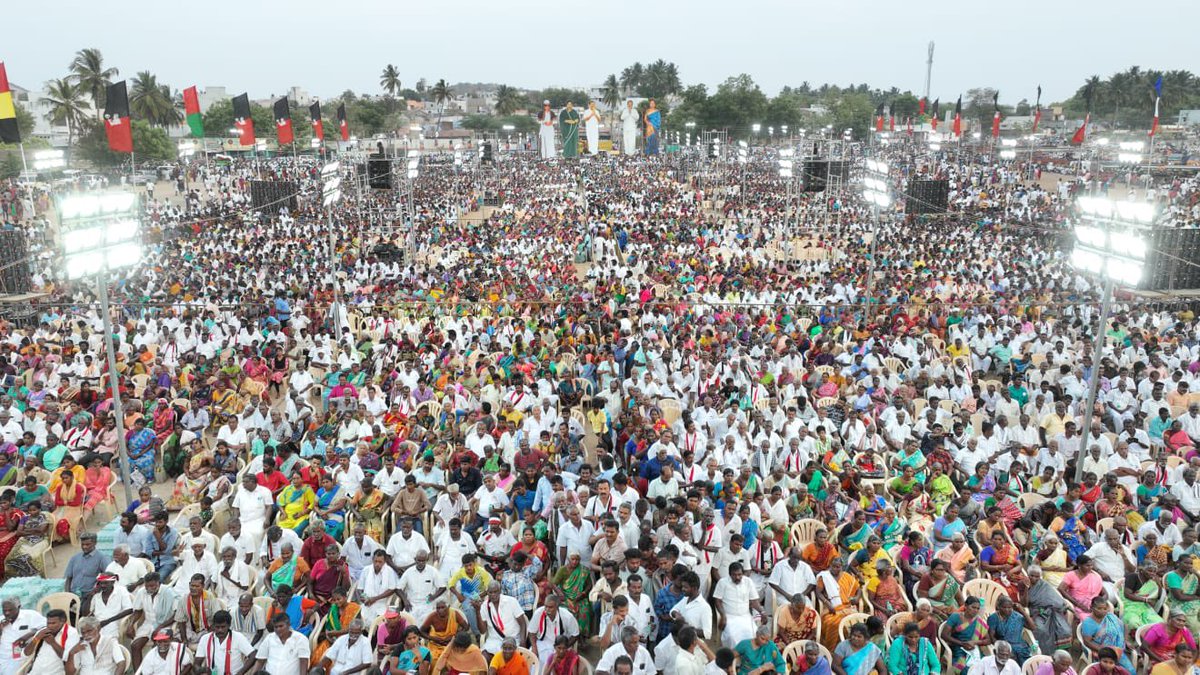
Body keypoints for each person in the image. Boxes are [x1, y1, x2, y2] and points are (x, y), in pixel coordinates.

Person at [1080, 597, 1134, 672]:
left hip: (1118, 651)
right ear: (1092, 607)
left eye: (1105, 609)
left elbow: (1124, 626)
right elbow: (1087, 641)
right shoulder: (1088, 623)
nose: (1102, 611)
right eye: (1099, 608)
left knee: (1130, 671)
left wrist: (1125, 640)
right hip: (1100, 652)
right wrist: (1105, 651)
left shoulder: (1110, 617)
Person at [816, 557, 860, 650]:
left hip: (848, 607)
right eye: (834, 566)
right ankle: (832, 649)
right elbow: (818, 592)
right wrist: (827, 604)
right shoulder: (824, 576)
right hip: (831, 608)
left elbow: (858, 589)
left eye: (838, 567)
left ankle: (851, 648)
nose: (836, 569)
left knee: (857, 621)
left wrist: (856, 598)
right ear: (830, 566)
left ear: (842, 567)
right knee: (832, 623)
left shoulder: (847, 576)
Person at [194, 610, 255, 675]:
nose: (220, 630)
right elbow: (196, 664)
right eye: (217, 627)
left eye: (223, 627)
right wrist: (202, 670)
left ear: (229, 625)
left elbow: (253, 655)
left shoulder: (238, 637)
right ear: (213, 625)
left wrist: (240, 673)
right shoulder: (205, 639)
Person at [941, 596, 988, 675]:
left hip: (974, 649)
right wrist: (962, 643)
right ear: (966, 606)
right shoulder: (955, 617)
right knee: (965, 670)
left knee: (986, 668)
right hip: (958, 649)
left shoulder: (979, 620)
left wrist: (975, 642)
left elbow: (988, 639)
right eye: (973, 607)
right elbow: (944, 635)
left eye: (977, 608)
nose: (975, 610)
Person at [986, 596, 1035, 664]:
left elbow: (1032, 627)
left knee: (1026, 664)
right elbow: (992, 637)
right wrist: (1002, 648)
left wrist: (1022, 611)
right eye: (1004, 607)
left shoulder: (1017, 616)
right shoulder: (993, 618)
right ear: (999, 607)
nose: (1007, 610)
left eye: (1009, 607)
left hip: (1021, 646)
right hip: (1005, 646)